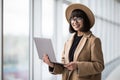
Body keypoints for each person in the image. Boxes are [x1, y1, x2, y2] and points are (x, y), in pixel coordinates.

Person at [43, 3, 104, 80]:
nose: (74, 22)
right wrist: (51, 64)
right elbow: (63, 68)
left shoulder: (94, 40)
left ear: (85, 20)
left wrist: (78, 65)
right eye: (72, 18)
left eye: (78, 18)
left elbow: (99, 66)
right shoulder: (68, 42)